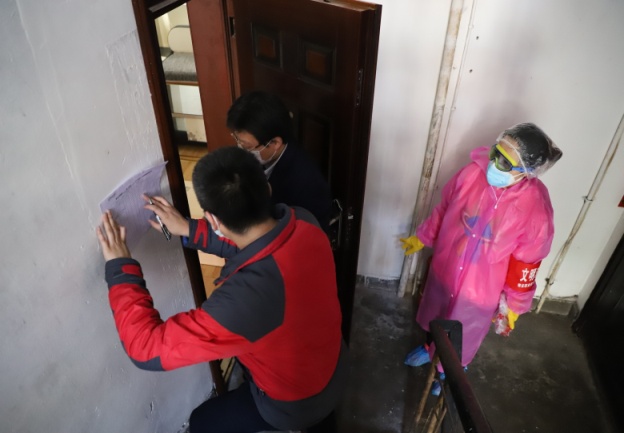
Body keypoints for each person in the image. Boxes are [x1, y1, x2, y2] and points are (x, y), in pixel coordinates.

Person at [96, 146, 348, 432]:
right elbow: (256, 243)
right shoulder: (304, 221)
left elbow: (145, 348)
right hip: (334, 365)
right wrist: (188, 229)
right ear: (266, 188)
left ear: (213, 220)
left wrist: (120, 267)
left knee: (203, 422)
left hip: (296, 404)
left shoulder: (244, 302)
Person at [400, 123, 562, 394]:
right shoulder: (471, 174)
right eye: (496, 152)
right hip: (445, 270)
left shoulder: (535, 208)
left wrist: (514, 305)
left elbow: (527, 263)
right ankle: (430, 349)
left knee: (462, 336)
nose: (494, 163)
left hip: (479, 291)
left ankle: (449, 374)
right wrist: (423, 237)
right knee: (436, 316)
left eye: (505, 161)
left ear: (526, 171)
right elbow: (444, 209)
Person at [227, 91, 332, 232]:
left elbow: (307, 235)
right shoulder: (264, 155)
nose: (241, 147)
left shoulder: (306, 184)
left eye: (247, 146)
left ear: (275, 143)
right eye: (237, 139)